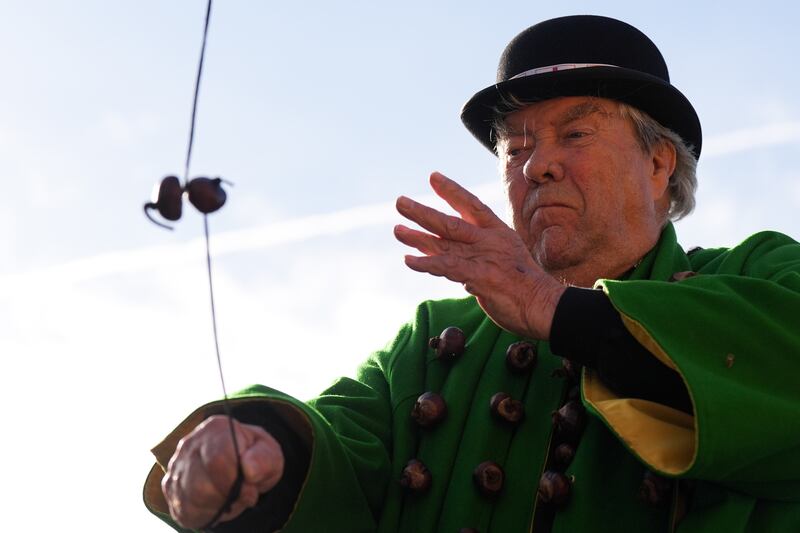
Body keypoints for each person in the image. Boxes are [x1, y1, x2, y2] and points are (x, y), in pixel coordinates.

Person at [143, 15, 800, 532]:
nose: (537, 165)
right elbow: (342, 444)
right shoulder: (436, 340)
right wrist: (259, 450)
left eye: (574, 135)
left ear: (660, 164)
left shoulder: (760, 272)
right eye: (516, 147)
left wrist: (557, 309)